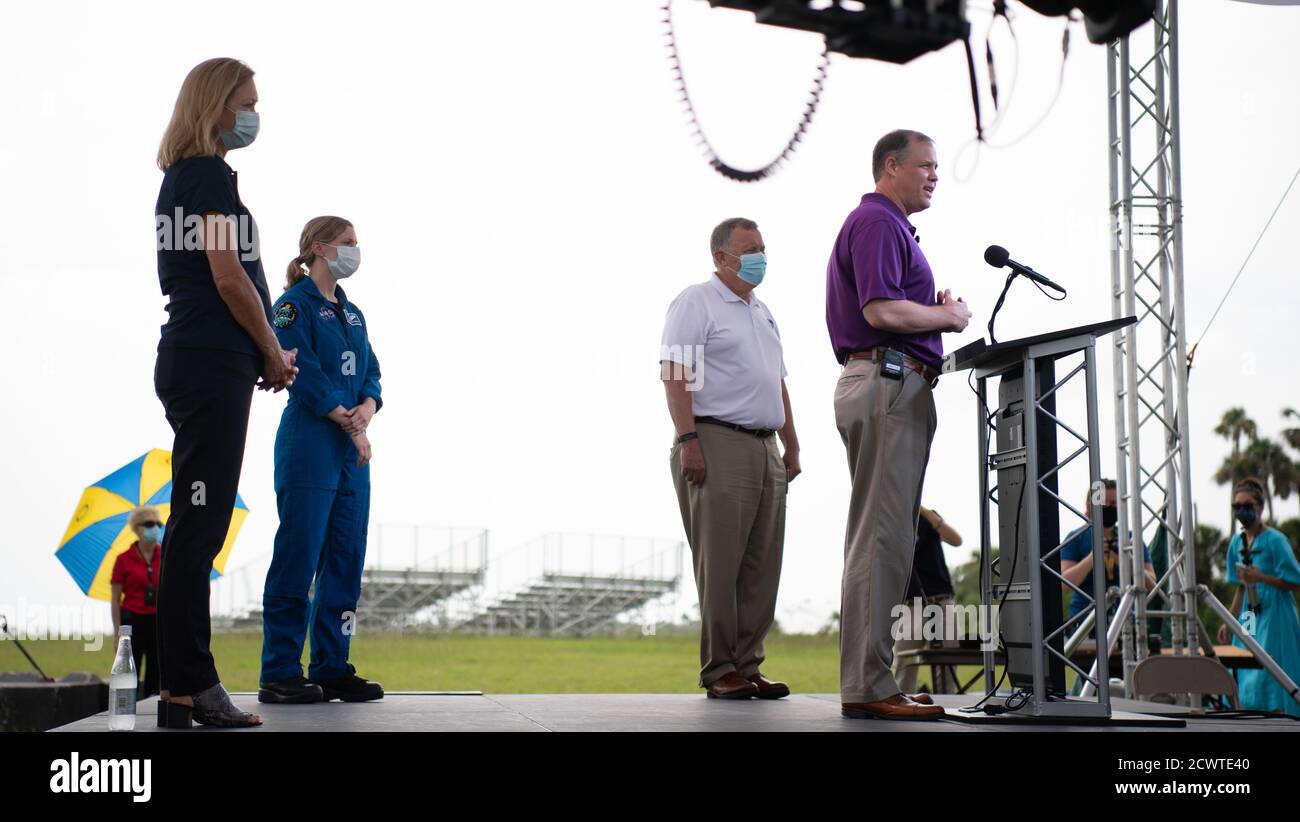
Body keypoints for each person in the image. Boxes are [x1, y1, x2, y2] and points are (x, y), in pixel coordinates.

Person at [153, 57, 298, 728]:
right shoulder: (206, 176)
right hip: (210, 362)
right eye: (247, 102)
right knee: (198, 525)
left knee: (196, 522)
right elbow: (228, 276)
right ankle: (190, 682)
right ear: (217, 105)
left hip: (208, 360)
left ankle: (181, 688)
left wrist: (261, 350)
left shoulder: (188, 178)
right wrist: (269, 348)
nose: (254, 114)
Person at [825, 129, 971, 720]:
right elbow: (880, 311)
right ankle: (869, 685)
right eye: (926, 165)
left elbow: (891, 306)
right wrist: (946, 316)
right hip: (885, 383)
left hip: (895, 383)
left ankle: (875, 679)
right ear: (891, 166)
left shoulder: (891, 227)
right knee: (882, 538)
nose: (935, 175)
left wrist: (929, 314)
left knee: (889, 539)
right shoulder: (879, 223)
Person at [660, 217, 801, 700]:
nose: (761, 256)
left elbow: (776, 381)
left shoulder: (762, 311)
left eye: (763, 247)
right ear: (721, 256)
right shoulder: (696, 302)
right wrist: (687, 440)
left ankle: (748, 663)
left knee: (763, 562)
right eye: (750, 249)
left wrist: (792, 443)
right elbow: (674, 375)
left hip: (766, 445)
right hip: (716, 440)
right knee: (721, 563)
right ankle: (720, 669)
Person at [258, 216, 384, 704]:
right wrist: (346, 419)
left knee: (346, 557)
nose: (355, 250)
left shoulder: (353, 314)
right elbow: (299, 367)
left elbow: (371, 370)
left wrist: (367, 408)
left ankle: (332, 664)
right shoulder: (292, 306)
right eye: (347, 243)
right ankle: (280, 671)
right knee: (300, 554)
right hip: (312, 441)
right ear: (318, 247)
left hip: (351, 453)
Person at [1216, 478, 1300, 716]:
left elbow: (1296, 581)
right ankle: (1247, 713)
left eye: (1248, 505)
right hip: (1249, 613)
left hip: (1275, 614)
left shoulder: (1276, 540)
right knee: (1246, 661)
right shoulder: (1236, 542)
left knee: (1273, 667)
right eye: (1237, 506)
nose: (1242, 511)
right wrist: (1228, 620)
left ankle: (1282, 717)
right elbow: (1240, 587)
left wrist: (1261, 577)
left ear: (1260, 508)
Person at [1060, 478, 1155, 624]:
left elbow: (1152, 585)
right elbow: (1064, 584)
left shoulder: (1131, 539)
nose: (1113, 508)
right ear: (1092, 505)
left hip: (1126, 622)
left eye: (1116, 503)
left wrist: (1126, 561)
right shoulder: (1076, 538)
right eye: (1108, 504)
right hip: (1084, 623)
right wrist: (1091, 559)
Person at [891, 506, 962, 694]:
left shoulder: (928, 518)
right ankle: (900, 702)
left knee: (947, 663)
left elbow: (956, 540)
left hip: (941, 600)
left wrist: (924, 511)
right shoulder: (892, 521)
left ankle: (948, 705)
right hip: (910, 605)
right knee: (904, 664)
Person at [109, 507, 165, 699]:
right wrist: (117, 633)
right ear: (137, 528)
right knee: (128, 670)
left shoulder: (165, 555)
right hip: (131, 620)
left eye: (158, 524)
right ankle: (128, 708)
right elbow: (115, 599)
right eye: (149, 524)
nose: (155, 528)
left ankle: (151, 712)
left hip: (158, 620)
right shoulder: (123, 559)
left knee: (157, 672)